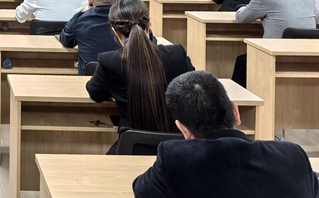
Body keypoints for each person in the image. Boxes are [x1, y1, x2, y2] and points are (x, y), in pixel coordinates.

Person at [133, 71, 319, 198]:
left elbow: (141, 190)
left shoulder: (175, 159)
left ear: (184, 129)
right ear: (235, 112)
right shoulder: (293, 156)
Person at [86, 0, 194, 153]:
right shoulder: (177, 53)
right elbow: (193, 87)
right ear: (148, 27)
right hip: (177, 148)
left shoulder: (109, 61)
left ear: (115, 31)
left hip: (132, 147)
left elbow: (95, 93)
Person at [232, 0, 319, 86]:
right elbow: (316, 20)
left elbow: (241, 18)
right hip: (310, 58)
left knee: (242, 62)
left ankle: (239, 98)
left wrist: (242, 8)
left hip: (276, 56)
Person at [59, 0, 122, 75]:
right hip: (123, 79)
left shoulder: (79, 19)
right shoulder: (127, 20)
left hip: (89, 79)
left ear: (90, 0)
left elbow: (66, 41)